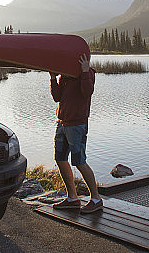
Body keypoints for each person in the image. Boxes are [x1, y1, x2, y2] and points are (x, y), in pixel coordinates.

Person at [49, 53, 102, 213]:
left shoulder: (88, 73)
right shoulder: (64, 75)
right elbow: (57, 97)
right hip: (62, 122)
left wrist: (85, 71)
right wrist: (53, 78)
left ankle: (96, 199)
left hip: (77, 125)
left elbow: (87, 92)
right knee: (60, 158)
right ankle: (72, 198)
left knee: (79, 161)